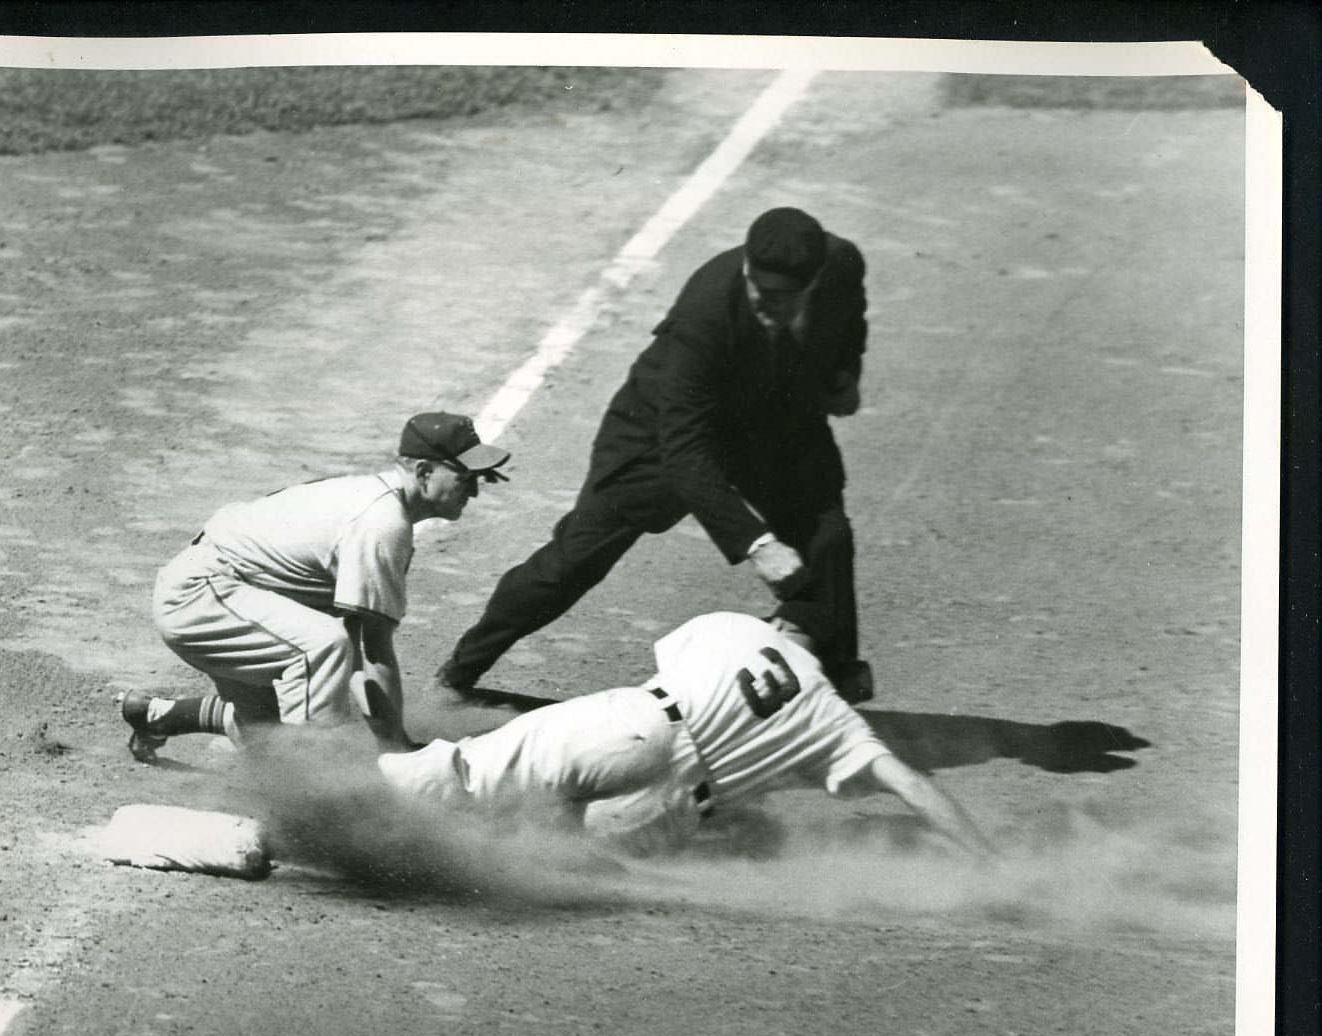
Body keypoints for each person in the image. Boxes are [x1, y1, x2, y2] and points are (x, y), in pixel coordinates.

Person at [435, 207, 873, 704]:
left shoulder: (840, 262)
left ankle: (832, 680)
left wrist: (844, 373)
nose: (771, 309)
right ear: (746, 268)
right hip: (661, 433)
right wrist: (758, 543)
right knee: (574, 562)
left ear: (814, 279)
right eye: (762, 295)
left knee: (827, 535)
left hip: (770, 418)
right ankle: (457, 676)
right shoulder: (705, 312)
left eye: (786, 299)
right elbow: (686, 451)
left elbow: (850, 317)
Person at [382, 612, 996, 861]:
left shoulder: (736, 626)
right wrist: (989, 861)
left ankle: (335, 800)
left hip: (636, 727)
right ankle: (499, 858)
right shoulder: (838, 719)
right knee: (553, 851)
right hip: (675, 809)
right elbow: (912, 787)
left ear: (784, 626)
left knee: (468, 772)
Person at [117, 412, 510, 761]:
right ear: (424, 473)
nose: (474, 491)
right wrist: (398, 750)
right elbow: (374, 651)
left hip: (231, 593)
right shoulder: (380, 525)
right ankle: (321, 790)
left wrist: (388, 741)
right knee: (322, 649)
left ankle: (157, 715)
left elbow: (359, 651)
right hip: (203, 596)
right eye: (466, 478)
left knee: (271, 738)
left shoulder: (378, 504)